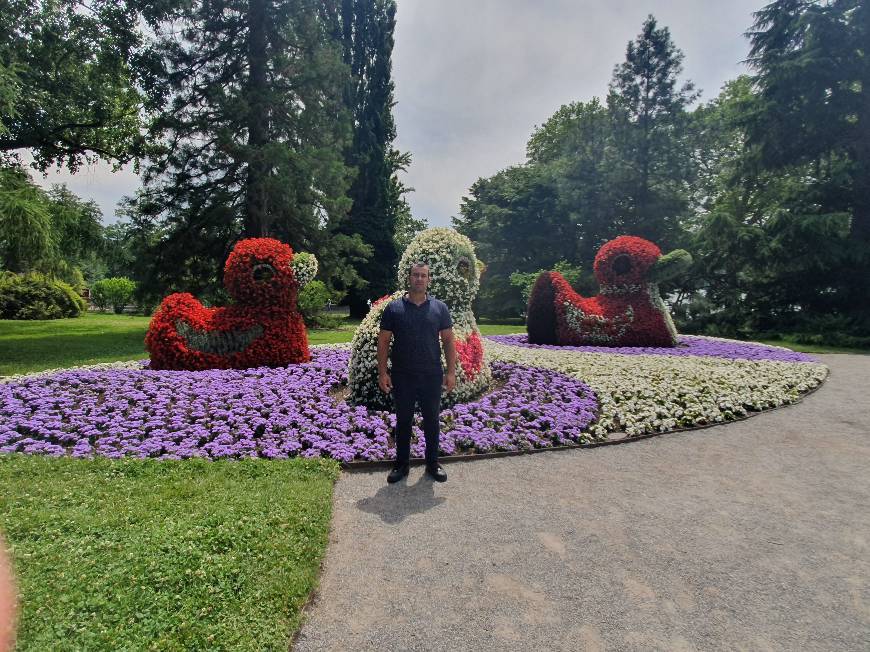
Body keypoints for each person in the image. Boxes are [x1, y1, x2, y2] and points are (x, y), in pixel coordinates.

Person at [377, 262, 456, 483]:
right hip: (403, 375)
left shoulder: (440, 308)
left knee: (432, 420)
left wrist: (451, 372)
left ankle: (432, 464)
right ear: (409, 278)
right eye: (415, 275)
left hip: (431, 375)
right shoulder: (394, 308)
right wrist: (382, 372)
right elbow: (383, 342)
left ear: (429, 280)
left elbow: (448, 341)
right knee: (403, 421)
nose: (419, 279)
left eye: (423, 275)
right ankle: (401, 465)